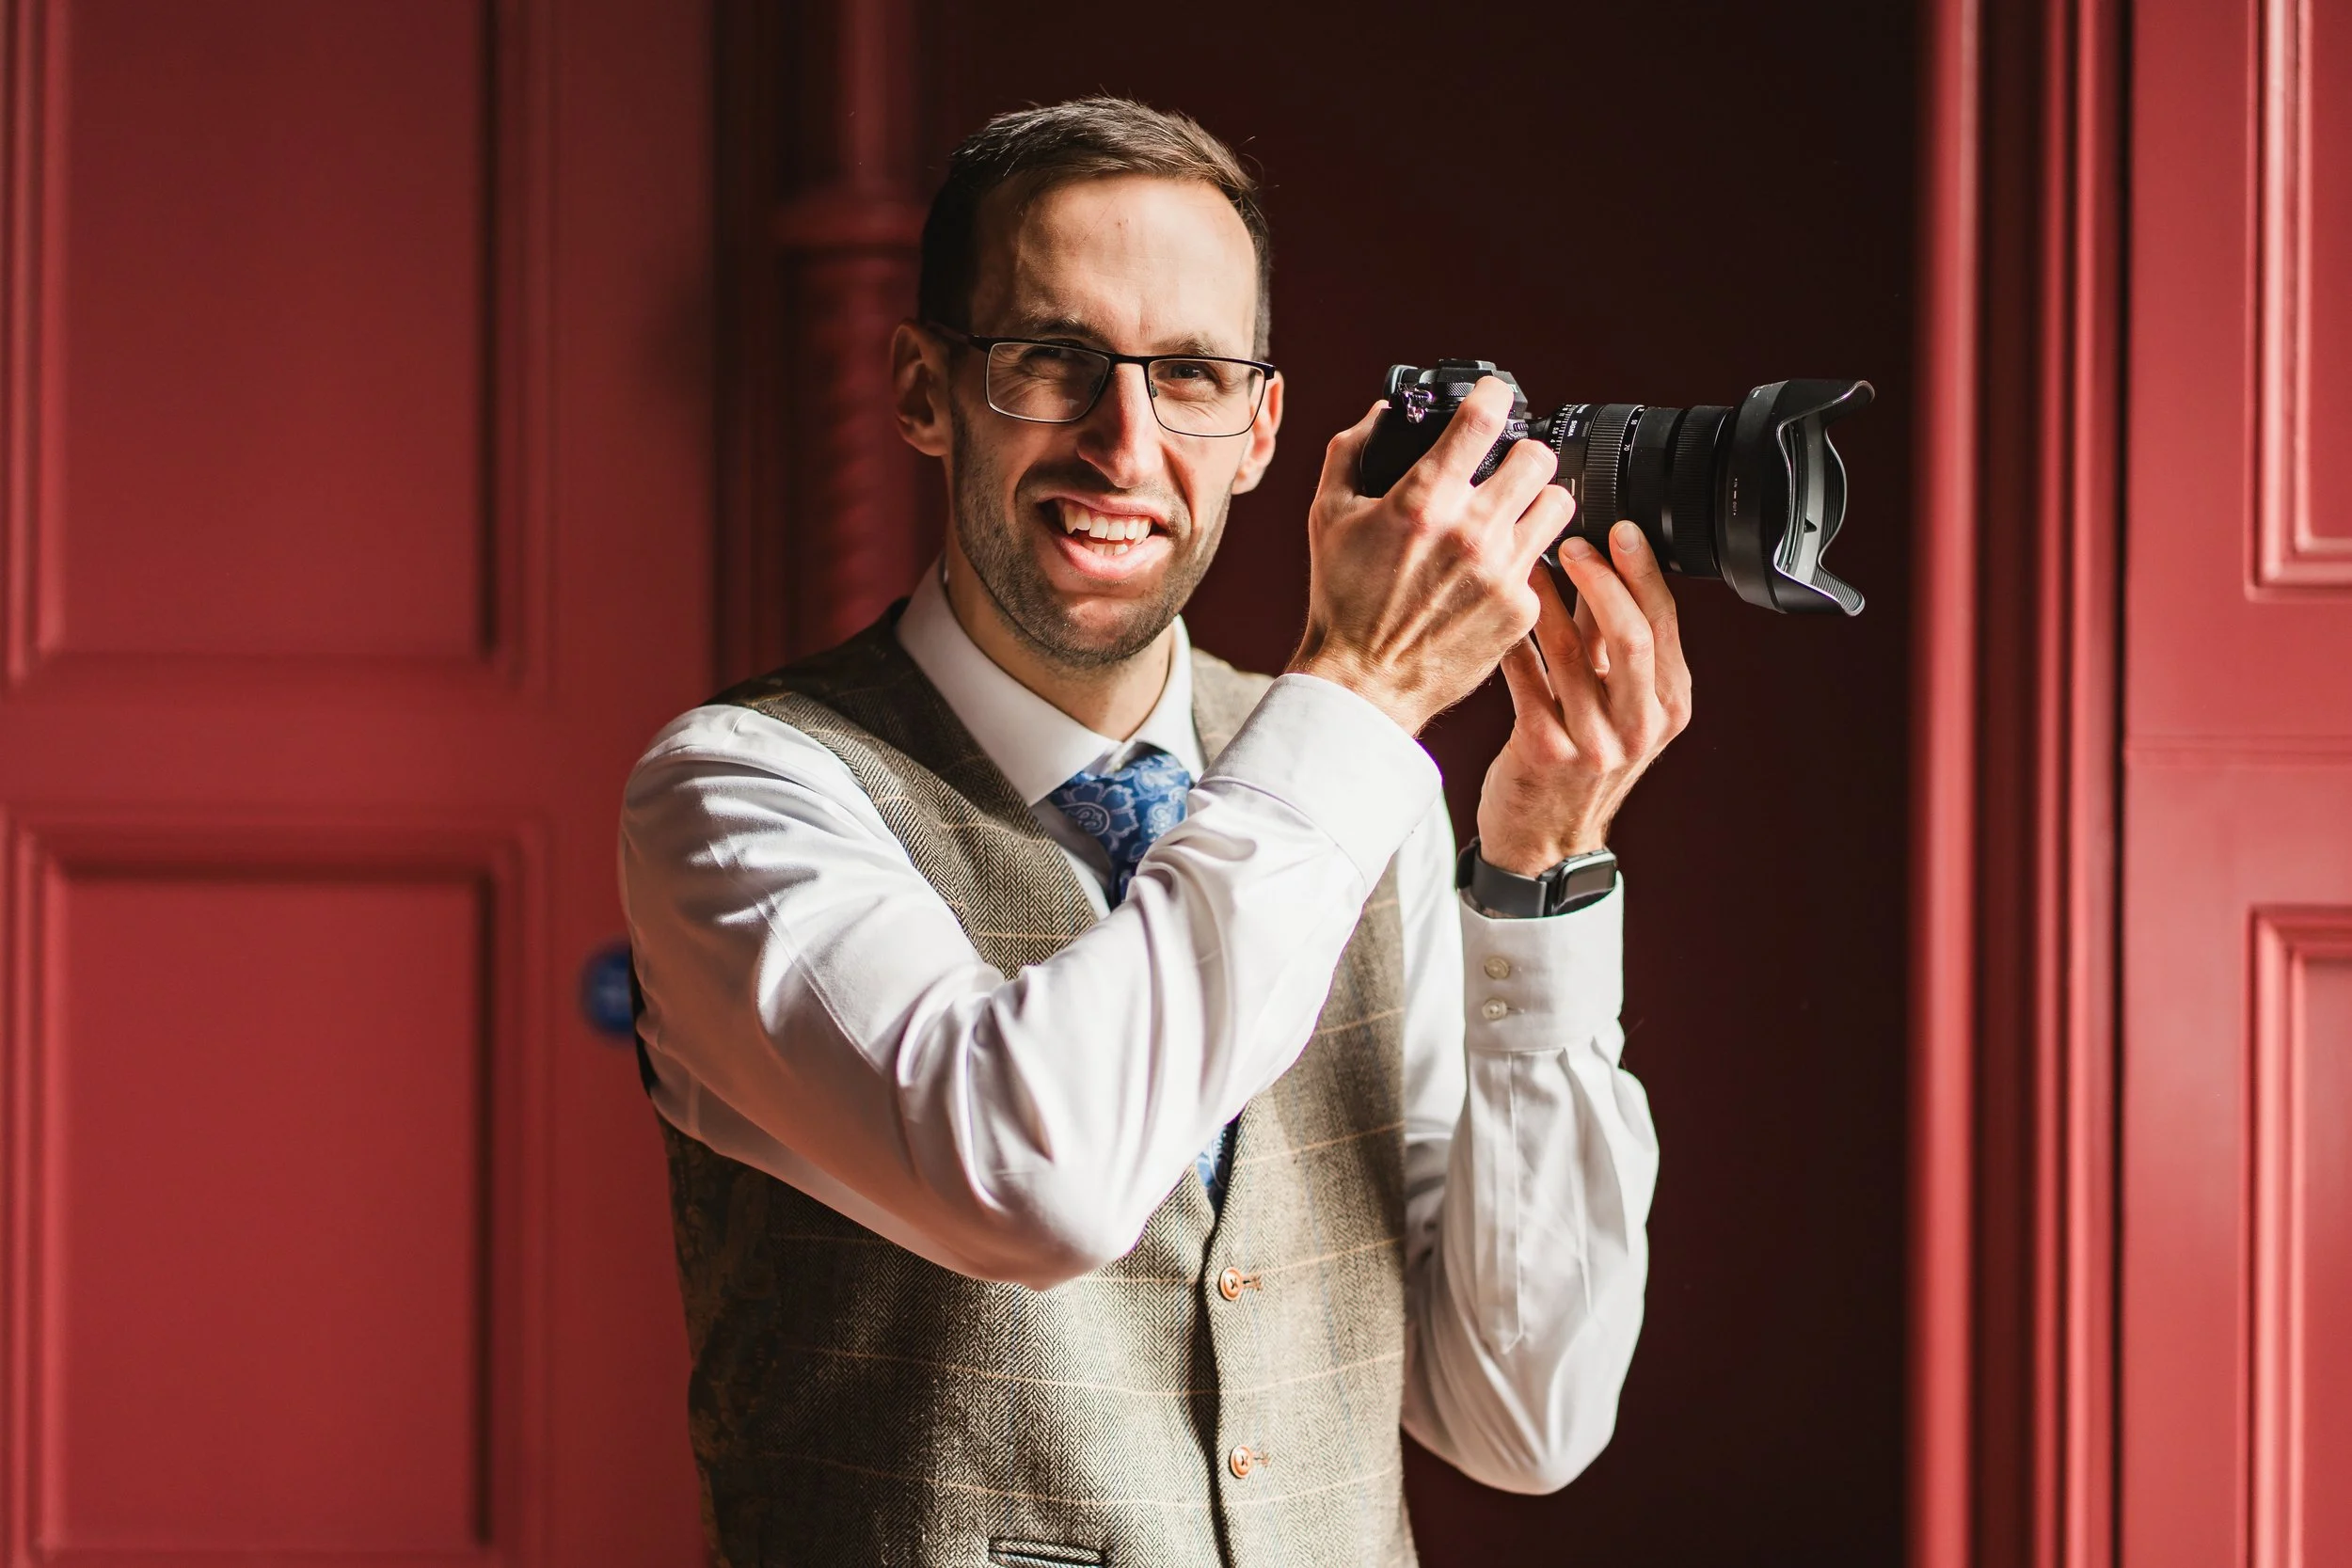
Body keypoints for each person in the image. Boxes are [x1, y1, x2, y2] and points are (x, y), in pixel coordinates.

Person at [621, 96, 1689, 1568]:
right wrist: (1364, 688)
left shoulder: (1359, 789)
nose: (1124, 444)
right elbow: (1030, 1178)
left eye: (1189, 373)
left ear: (1259, 430)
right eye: (1053, 361)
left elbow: (1522, 1414)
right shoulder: (740, 792)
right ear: (925, 390)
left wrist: (1541, 869)